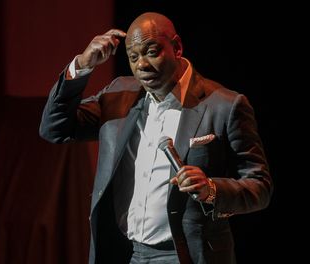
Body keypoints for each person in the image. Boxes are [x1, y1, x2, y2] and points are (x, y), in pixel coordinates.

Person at [39, 12, 272, 264]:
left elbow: (259, 186)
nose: (142, 65)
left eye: (152, 51)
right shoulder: (119, 94)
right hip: (124, 253)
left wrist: (211, 189)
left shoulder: (224, 106)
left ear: (177, 47)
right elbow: (55, 128)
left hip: (187, 255)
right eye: (133, 57)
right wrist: (82, 66)